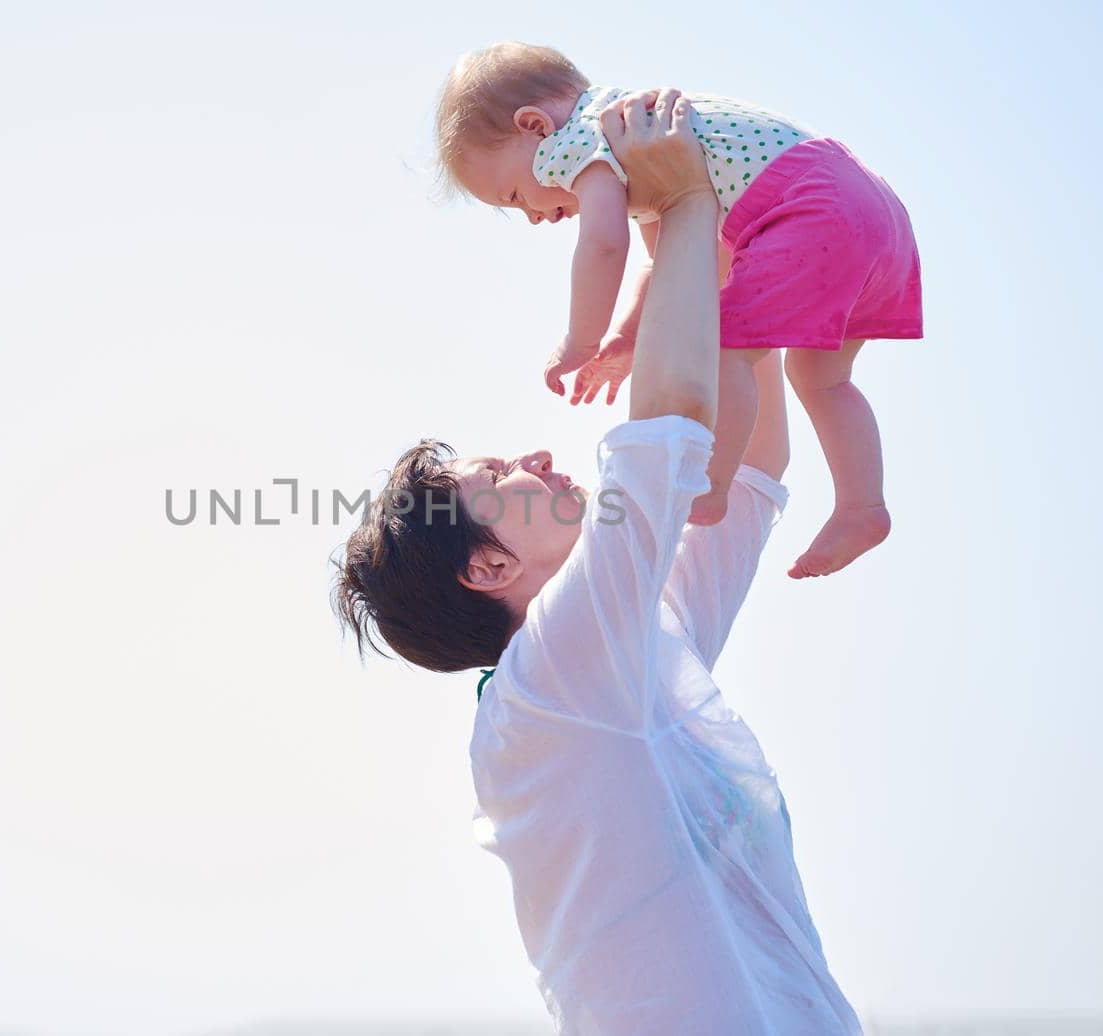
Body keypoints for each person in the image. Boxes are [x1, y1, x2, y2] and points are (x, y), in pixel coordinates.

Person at [331, 90, 862, 1033]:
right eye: (497, 477)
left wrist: (738, 248)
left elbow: (746, 477)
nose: (533, 459)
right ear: (486, 569)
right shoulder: (552, 681)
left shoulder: (624, 652)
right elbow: (670, 428)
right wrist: (688, 203)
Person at [434, 41, 923, 578]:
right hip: (870, 207)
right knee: (822, 377)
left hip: (810, 210)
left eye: (512, 195)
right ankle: (862, 507)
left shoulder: (576, 142)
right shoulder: (634, 134)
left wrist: (580, 340)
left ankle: (711, 484)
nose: (531, 216)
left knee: (720, 350)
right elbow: (657, 259)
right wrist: (624, 337)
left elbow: (603, 246)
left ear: (533, 127)